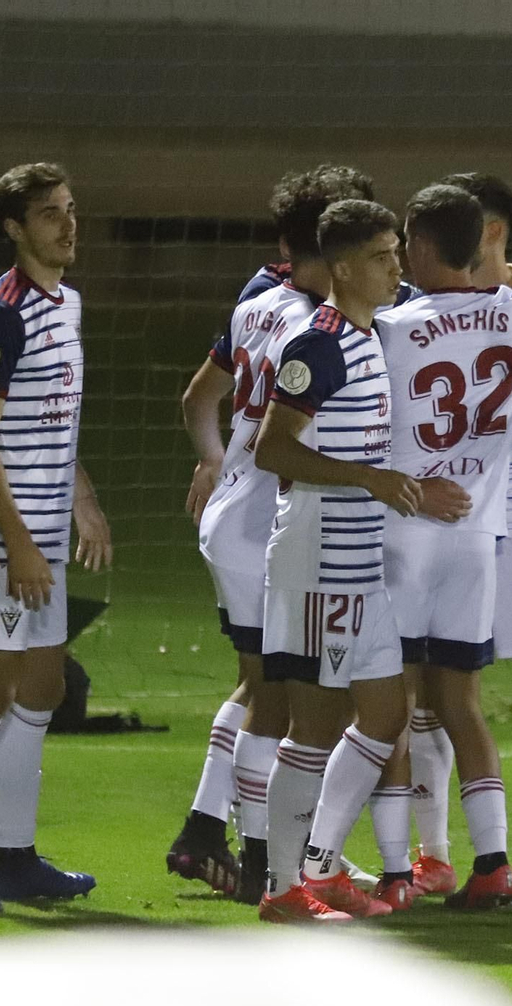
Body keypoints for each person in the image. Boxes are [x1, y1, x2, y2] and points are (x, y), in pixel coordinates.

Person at [376, 183, 512, 908]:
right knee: (449, 700)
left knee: (405, 699)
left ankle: (388, 870)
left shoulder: (393, 321)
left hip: (451, 523)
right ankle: (459, 859)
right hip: (476, 521)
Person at [251, 199, 469, 921]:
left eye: (396, 251)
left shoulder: (370, 334)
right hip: (319, 561)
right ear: (342, 269)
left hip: (359, 562)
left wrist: (408, 490)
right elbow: (272, 450)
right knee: (313, 728)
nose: (396, 266)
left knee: (383, 715)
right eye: (381, 256)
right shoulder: (317, 346)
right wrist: (369, 480)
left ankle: (320, 867)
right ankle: (282, 888)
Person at [168, 164, 374, 902]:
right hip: (269, 524)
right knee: (285, 700)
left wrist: (213, 461)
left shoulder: (257, 300)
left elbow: (198, 398)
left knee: (259, 684)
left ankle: (208, 829)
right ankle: (265, 860)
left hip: (234, 515)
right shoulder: (321, 326)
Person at [0, 162, 113, 912]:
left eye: (70, 209)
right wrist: (21, 544)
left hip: (39, 529)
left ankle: (16, 859)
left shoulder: (66, 304)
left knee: (43, 687)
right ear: (14, 228)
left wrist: (83, 501)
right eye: (49, 214)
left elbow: (52, 421)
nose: (68, 226)